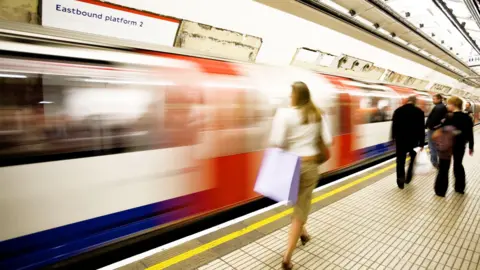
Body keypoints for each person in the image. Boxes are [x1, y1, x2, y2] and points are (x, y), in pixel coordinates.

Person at [269, 81, 332, 270]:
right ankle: (290, 252)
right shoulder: (317, 114)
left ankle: (296, 243)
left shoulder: (284, 114)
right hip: (309, 165)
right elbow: (328, 141)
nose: (290, 98)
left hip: (289, 165)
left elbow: (277, 141)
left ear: (295, 96)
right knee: (301, 208)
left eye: (291, 94)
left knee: (297, 205)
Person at [434, 96, 474, 197]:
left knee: (444, 168)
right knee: (458, 165)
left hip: (447, 146)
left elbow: (441, 131)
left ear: (453, 105)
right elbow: (470, 133)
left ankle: (441, 191)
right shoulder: (467, 118)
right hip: (460, 145)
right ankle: (459, 188)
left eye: (448, 104)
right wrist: (471, 146)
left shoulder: (449, 117)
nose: (447, 106)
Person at [391, 95, 425, 189]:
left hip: (401, 140)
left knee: (400, 161)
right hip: (414, 140)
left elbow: (394, 126)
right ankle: (408, 177)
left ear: (407, 101)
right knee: (412, 159)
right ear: (415, 102)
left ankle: (400, 181)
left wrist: (393, 139)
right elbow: (421, 129)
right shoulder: (419, 112)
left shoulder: (398, 111)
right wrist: (422, 143)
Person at [426, 94, 448, 168]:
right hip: (439, 129)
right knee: (437, 146)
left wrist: (430, 127)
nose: (433, 100)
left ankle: (434, 162)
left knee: (433, 146)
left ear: (439, 99)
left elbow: (433, 120)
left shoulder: (438, 107)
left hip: (433, 130)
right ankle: (438, 161)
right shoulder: (443, 107)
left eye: (434, 99)